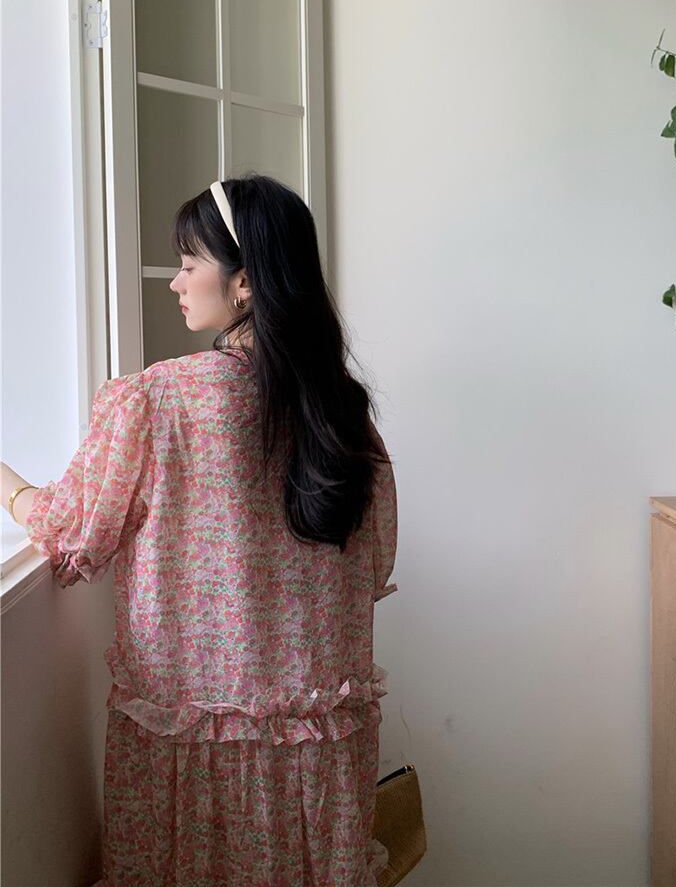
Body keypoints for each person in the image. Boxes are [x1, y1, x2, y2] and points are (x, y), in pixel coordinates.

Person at [1, 173, 399, 886]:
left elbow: (71, 532)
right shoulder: (342, 412)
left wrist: (8, 485)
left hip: (190, 753)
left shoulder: (162, 400)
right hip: (316, 764)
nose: (176, 282)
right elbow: (375, 562)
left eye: (190, 263)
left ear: (244, 283)